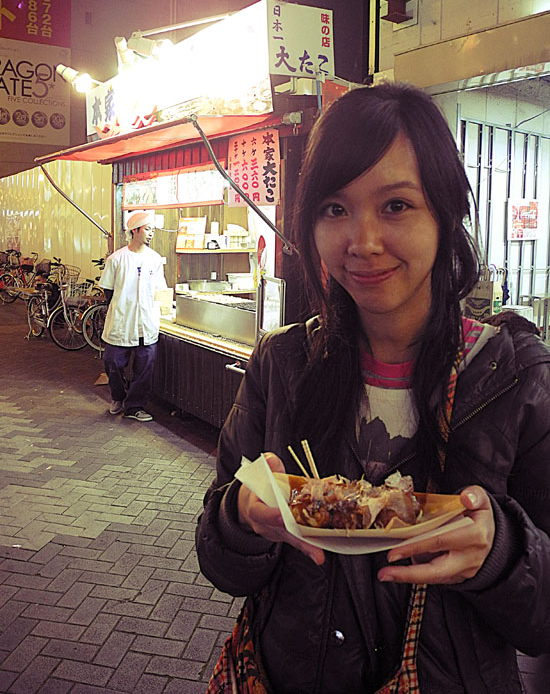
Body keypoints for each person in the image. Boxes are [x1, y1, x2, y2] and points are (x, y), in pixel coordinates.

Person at [195, 83, 550, 693]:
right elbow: (219, 554)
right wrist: (240, 519)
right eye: (335, 208)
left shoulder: (515, 376)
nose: (362, 242)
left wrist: (502, 553)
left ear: (445, 213)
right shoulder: (282, 363)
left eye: (395, 206)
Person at [99, 210, 167, 422]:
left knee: (145, 366)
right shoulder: (117, 259)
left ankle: (134, 407)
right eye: (147, 229)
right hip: (121, 321)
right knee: (114, 364)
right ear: (134, 231)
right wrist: (122, 308)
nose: (150, 234)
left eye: (152, 230)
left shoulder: (155, 259)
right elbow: (108, 291)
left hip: (146, 322)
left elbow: (160, 290)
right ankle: (118, 397)